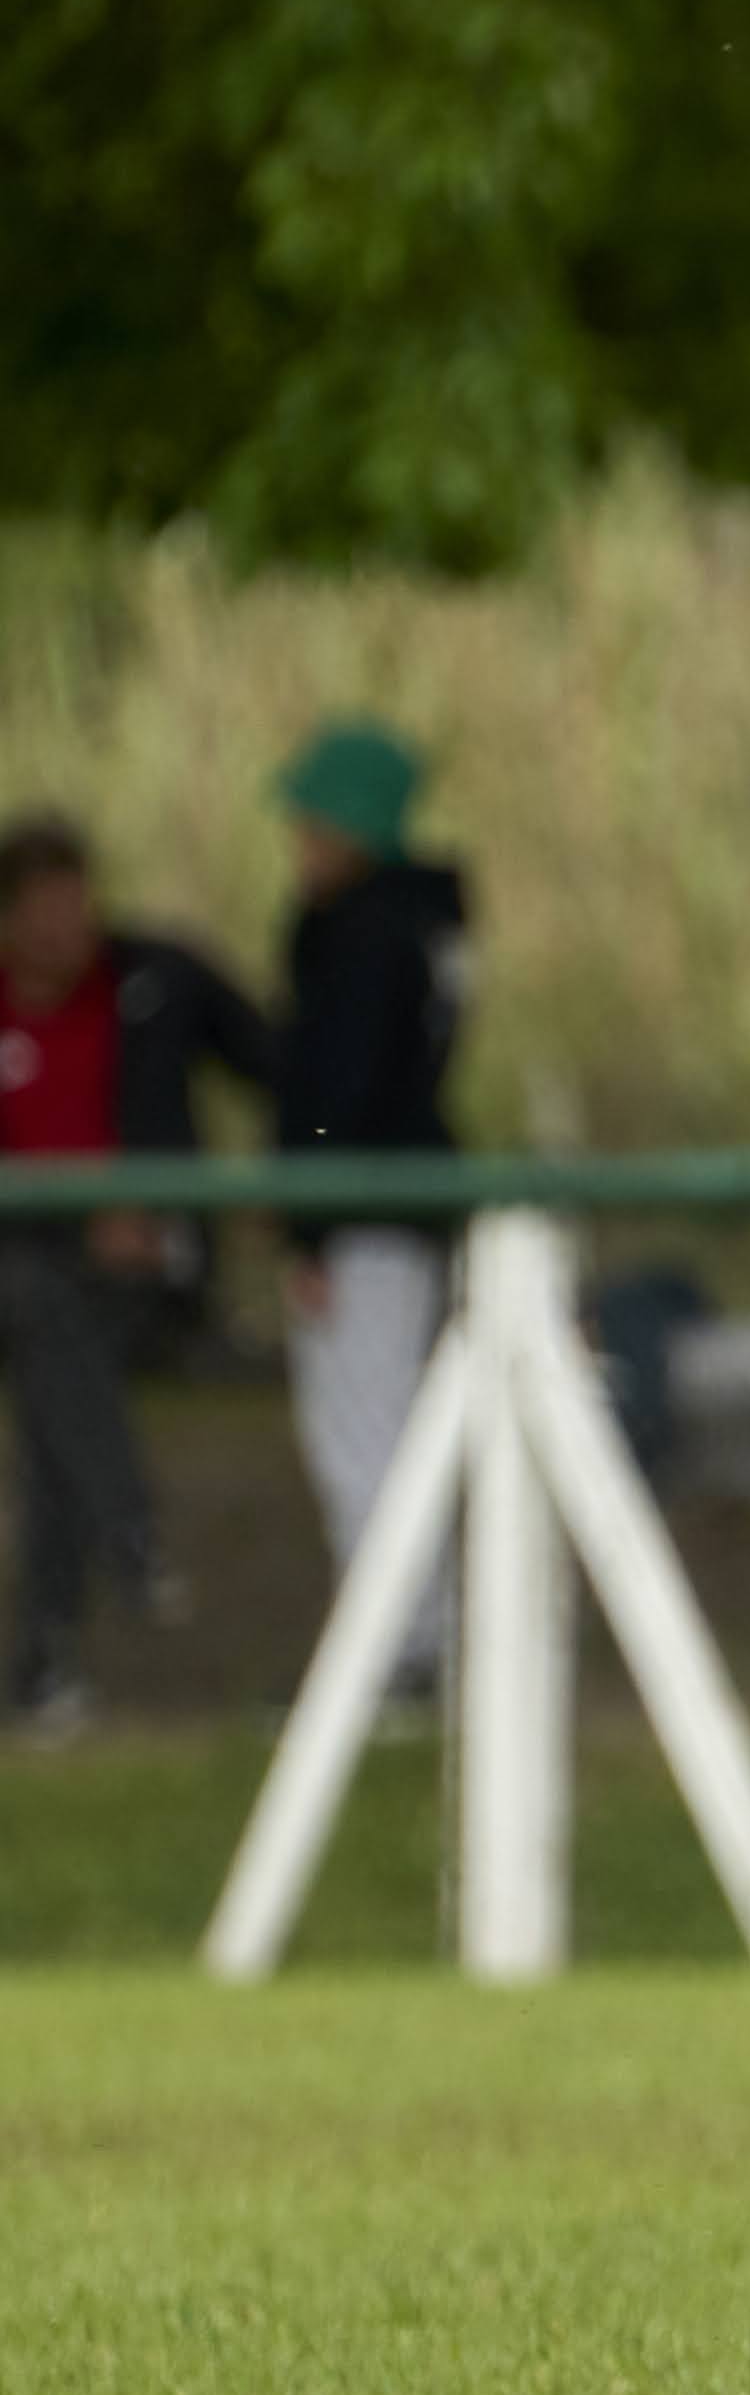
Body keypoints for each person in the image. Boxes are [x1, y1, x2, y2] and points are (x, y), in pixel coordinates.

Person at [0, 812, 274, 1735]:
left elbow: (294, 1073)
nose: (71, 927)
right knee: (43, 1319)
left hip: (143, 1277)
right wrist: (83, 1218)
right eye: (46, 911)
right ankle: (128, 1534)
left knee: (54, 1378)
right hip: (28, 1272)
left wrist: (296, 1182)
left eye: (80, 904)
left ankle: (49, 1663)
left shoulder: (157, 982)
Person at [271, 721, 471, 1710]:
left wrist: (306, 1219)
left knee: (365, 1430)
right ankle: (410, 1636)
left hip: (362, 1212)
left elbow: (333, 1089)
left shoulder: (359, 934)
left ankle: (400, 1648)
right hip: (403, 1204)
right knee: (388, 1420)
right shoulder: (425, 926)